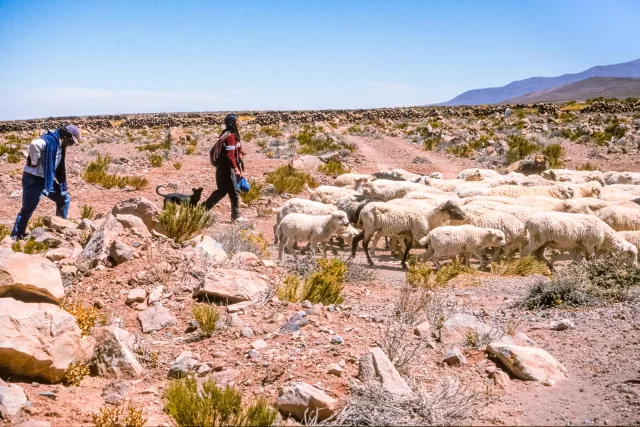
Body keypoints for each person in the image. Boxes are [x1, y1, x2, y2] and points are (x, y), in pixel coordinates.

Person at [11, 125, 81, 239]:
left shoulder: (59, 146)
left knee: (64, 198)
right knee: (27, 210)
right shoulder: (50, 140)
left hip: (46, 179)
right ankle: (15, 237)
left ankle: (60, 227)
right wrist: (34, 161)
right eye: (71, 141)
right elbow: (35, 144)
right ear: (66, 136)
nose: (72, 144)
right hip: (33, 179)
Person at [202, 114, 247, 222]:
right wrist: (236, 169)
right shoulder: (230, 136)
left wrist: (240, 152)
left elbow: (234, 150)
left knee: (222, 191)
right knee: (235, 192)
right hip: (227, 169)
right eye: (237, 120)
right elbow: (230, 155)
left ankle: (200, 210)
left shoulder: (229, 134)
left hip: (223, 169)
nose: (239, 122)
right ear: (233, 122)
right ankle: (236, 217)